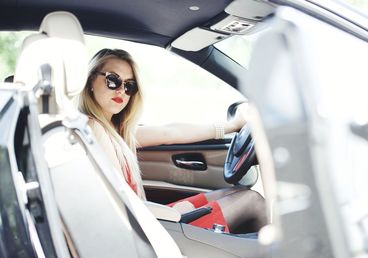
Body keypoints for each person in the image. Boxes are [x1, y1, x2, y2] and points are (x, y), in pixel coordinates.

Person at [77, 48, 267, 233]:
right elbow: (121, 204)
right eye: (113, 80)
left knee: (235, 193)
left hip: (148, 221)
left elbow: (171, 132)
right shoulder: (94, 129)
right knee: (253, 201)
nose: (122, 91)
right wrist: (173, 213)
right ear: (91, 80)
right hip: (145, 235)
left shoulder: (115, 131)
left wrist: (233, 125)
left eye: (129, 86)